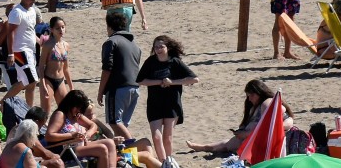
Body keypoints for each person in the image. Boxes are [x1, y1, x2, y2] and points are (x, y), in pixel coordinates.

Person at [187, 79, 292, 155]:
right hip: (253, 138)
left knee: (227, 145)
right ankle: (203, 147)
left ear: (260, 92)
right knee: (227, 144)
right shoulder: (255, 106)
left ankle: (204, 147)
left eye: (251, 95)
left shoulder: (267, 103)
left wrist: (246, 134)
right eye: (248, 96)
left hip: (264, 141)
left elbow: (277, 124)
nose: (249, 99)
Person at [137, 35, 197, 165]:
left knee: (167, 138)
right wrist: (159, 82)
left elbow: (194, 79)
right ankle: (163, 163)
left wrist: (172, 82)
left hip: (172, 103)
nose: (158, 49)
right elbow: (140, 80)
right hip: (155, 104)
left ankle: (168, 162)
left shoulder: (175, 62)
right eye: (156, 47)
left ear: (168, 47)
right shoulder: (151, 62)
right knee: (156, 137)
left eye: (161, 46)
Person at [98, 9, 141, 141]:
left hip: (118, 88)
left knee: (115, 121)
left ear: (109, 26)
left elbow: (107, 69)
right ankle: (126, 155)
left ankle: (134, 150)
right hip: (134, 88)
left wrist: (100, 91)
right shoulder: (134, 45)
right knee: (123, 124)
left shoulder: (111, 41)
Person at [42, 92, 118, 168]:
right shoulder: (60, 115)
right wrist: (71, 135)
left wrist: (88, 134)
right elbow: (49, 136)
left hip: (78, 145)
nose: (79, 110)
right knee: (102, 149)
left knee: (110, 142)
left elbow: (93, 125)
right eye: (78, 107)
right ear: (71, 104)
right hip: (65, 149)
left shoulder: (76, 115)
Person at [2, 0, 41, 106]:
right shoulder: (17, 12)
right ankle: (29, 110)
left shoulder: (32, 11)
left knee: (25, 82)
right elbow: (10, 33)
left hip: (31, 51)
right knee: (32, 81)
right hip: (20, 51)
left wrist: (41, 42)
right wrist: (11, 53)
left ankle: (1, 104)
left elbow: (30, 30)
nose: (33, 1)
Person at [37, 15, 72, 111]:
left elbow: (66, 69)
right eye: (57, 28)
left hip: (60, 80)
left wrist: (71, 87)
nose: (61, 30)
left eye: (63, 27)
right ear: (51, 29)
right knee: (45, 111)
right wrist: (43, 84)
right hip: (48, 79)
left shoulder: (66, 45)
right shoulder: (48, 45)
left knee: (65, 110)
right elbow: (41, 66)